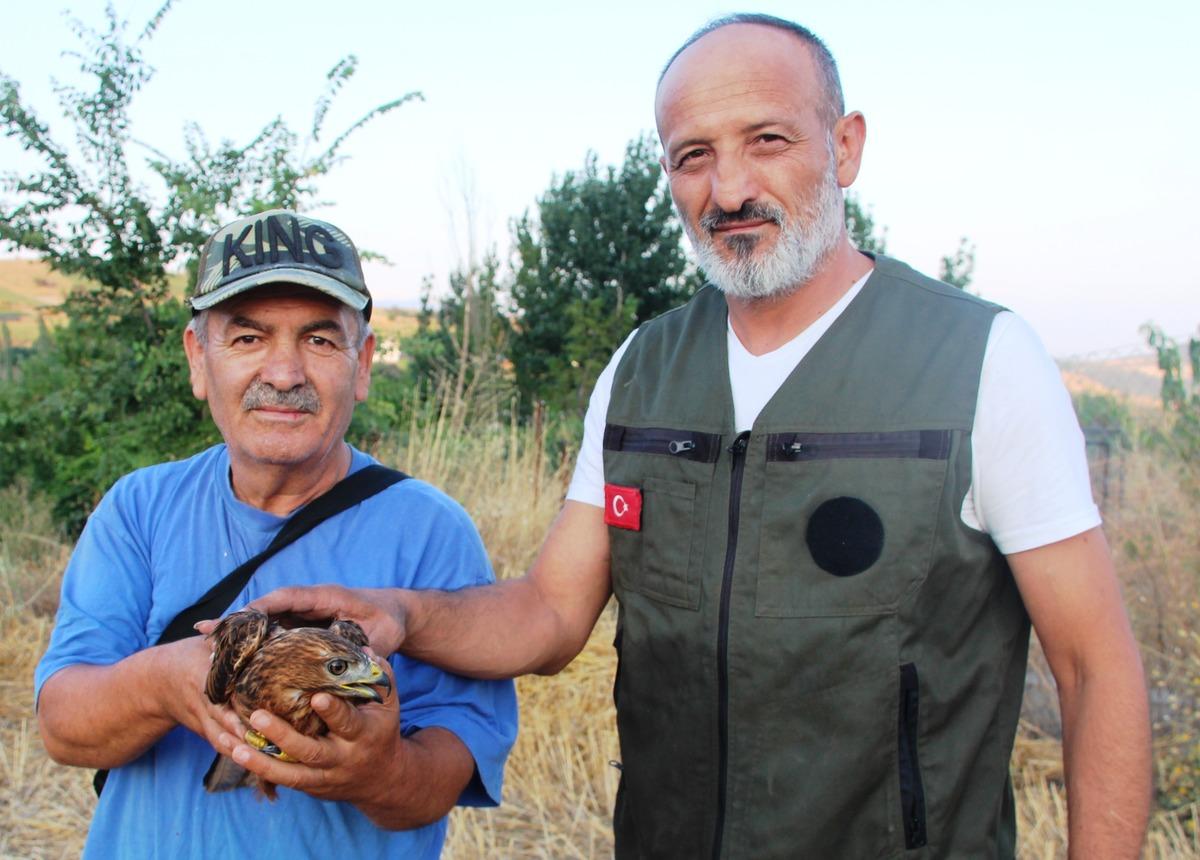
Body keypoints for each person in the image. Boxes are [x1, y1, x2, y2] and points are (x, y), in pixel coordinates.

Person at [242, 15, 1151, 859]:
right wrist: (403, 615)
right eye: (692, 156)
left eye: (769, 140)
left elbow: (1093, 666)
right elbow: (552, 616)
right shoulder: (643, 367)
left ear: (845, 146)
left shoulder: (980, 360)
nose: (730, 189)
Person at [34, 209, 517, 859]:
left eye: (320, 341)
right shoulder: (138, 508)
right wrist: (164, 685)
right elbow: (63, 728)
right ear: (198, 359)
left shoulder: (431, 532)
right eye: (248, 339)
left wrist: (382, 774)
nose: (285, 374)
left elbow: (450, 769)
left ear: (363, 362)